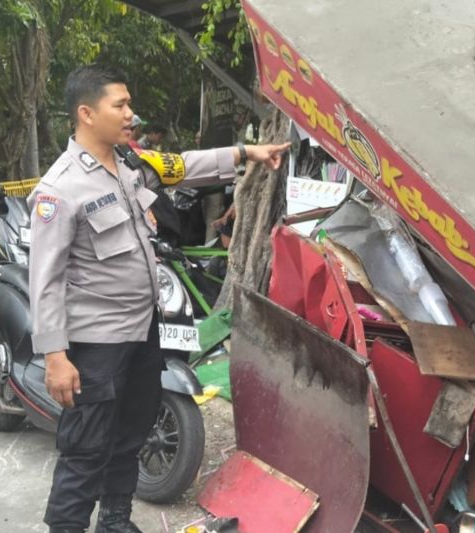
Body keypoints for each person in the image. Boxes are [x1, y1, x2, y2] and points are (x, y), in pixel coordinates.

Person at [28, 64, 289, 533]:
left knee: (130, 435)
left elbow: (185, 165)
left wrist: (248, 151)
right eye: (120, 105)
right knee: (86, 448)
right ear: (86, 113)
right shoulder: (60, 189)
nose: (132, 114)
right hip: (95, 345)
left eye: (130, 104)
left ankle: (114, 520)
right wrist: (54, 357)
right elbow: (44, 279)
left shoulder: (130, 166)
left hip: (141, 333)